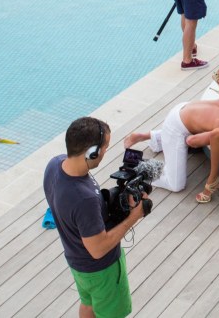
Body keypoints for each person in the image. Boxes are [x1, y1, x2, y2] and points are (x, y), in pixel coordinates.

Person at [43, 117, 145, 318]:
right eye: (105, 147)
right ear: (92, 152)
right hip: (102, 271)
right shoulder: (84, 199)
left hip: (77, 263)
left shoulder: (55, 165)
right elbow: (98, 249)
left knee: (88, 303)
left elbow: (73, 212)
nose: (106, 151)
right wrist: (135, 216)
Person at [123, 96, 219, 193]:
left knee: (185, 133)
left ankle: (148, 136)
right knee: (175, 185)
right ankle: (138, 169)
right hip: (176, 128)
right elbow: (191, 141)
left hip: (184, 107)